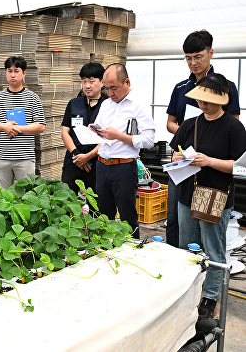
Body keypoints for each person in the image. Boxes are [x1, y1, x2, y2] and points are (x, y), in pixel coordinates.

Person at [170, 73, 246, 319]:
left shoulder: (234, 128)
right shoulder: (190, 124)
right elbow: (174, 154)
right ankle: (188, 289)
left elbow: (240, 167)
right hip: (187, 193)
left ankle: (210, 296)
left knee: (213, 249)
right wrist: (180, 159)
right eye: (200, 101)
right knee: (186, 247)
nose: (203, 105)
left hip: (215, 195)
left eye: (209, 101)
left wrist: (209, 161)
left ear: (224, 100)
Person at [165, 30, 241, 248]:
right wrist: (188, 132)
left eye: (198, 57)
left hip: (211, 169)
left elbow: (231, 125)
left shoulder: (225, 86)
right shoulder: (181, 88)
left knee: (208, 227)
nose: (193, 62)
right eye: (188, 58)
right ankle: (177, 259)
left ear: (211, 53)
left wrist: (204, 136)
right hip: (185, 162)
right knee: (176, 216)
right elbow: (170, 123)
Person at [94, 63, 155, 239]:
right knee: (103, 216)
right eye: (106, 89)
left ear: (127, 82)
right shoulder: (106, 104)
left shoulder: (138, 105)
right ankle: (104, 251)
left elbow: (149, 141)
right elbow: (101, 131)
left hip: (124, 168)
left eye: (114, 88)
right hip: (102, 164)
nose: (110, 93)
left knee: (127, 217)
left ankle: (132, 253)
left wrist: (119, 136)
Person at [0, 56, 46, 189]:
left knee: (26, 196)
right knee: (3, 197)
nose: (13, 75)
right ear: (5, 72)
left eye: (16, 71)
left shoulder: (33, 97)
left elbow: (40, 126)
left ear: (24, 73)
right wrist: (3, 126)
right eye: (9, 71)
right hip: (1, 157)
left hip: (25, 157)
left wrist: (17, 128)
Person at [61, 62, 108, 194]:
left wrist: (87, 157)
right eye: (84, 81)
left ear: (102, 82)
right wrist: (77, 155)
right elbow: (65, 132)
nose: (87, 85)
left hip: (97, 162)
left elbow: (109, 138)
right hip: (73, 160)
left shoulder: (108, 105)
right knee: (66, 201)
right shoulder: (74, 103)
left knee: (98, 204)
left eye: (92, 81)